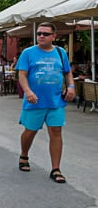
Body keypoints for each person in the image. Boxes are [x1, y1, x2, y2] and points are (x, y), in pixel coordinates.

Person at [16, 22, 75, 184]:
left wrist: (71, 86)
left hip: (56, 101)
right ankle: (24, 154)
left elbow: (67, 72)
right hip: (34, 101)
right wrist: (28, 91)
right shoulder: (28, 53)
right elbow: (22, 75)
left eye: (45, 34)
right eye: (39, 33)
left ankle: (56, 169)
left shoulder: (60, 52)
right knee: (30, 131)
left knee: (56, 131)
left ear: (54, 36)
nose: (41, 36)